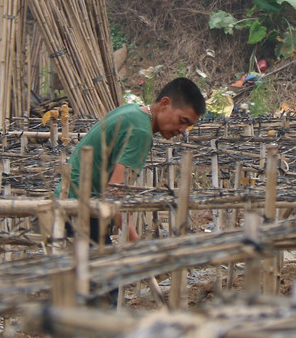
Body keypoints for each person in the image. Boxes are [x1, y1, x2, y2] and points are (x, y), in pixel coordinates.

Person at [61, 76, 204, 245]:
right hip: (79, 210)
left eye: (188, 126)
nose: (182, 130)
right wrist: (136, 241)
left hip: (72, 201)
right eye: (183, 121)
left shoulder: (132, 111)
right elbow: (114, 194)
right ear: (165, 104)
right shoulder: (141, 132)